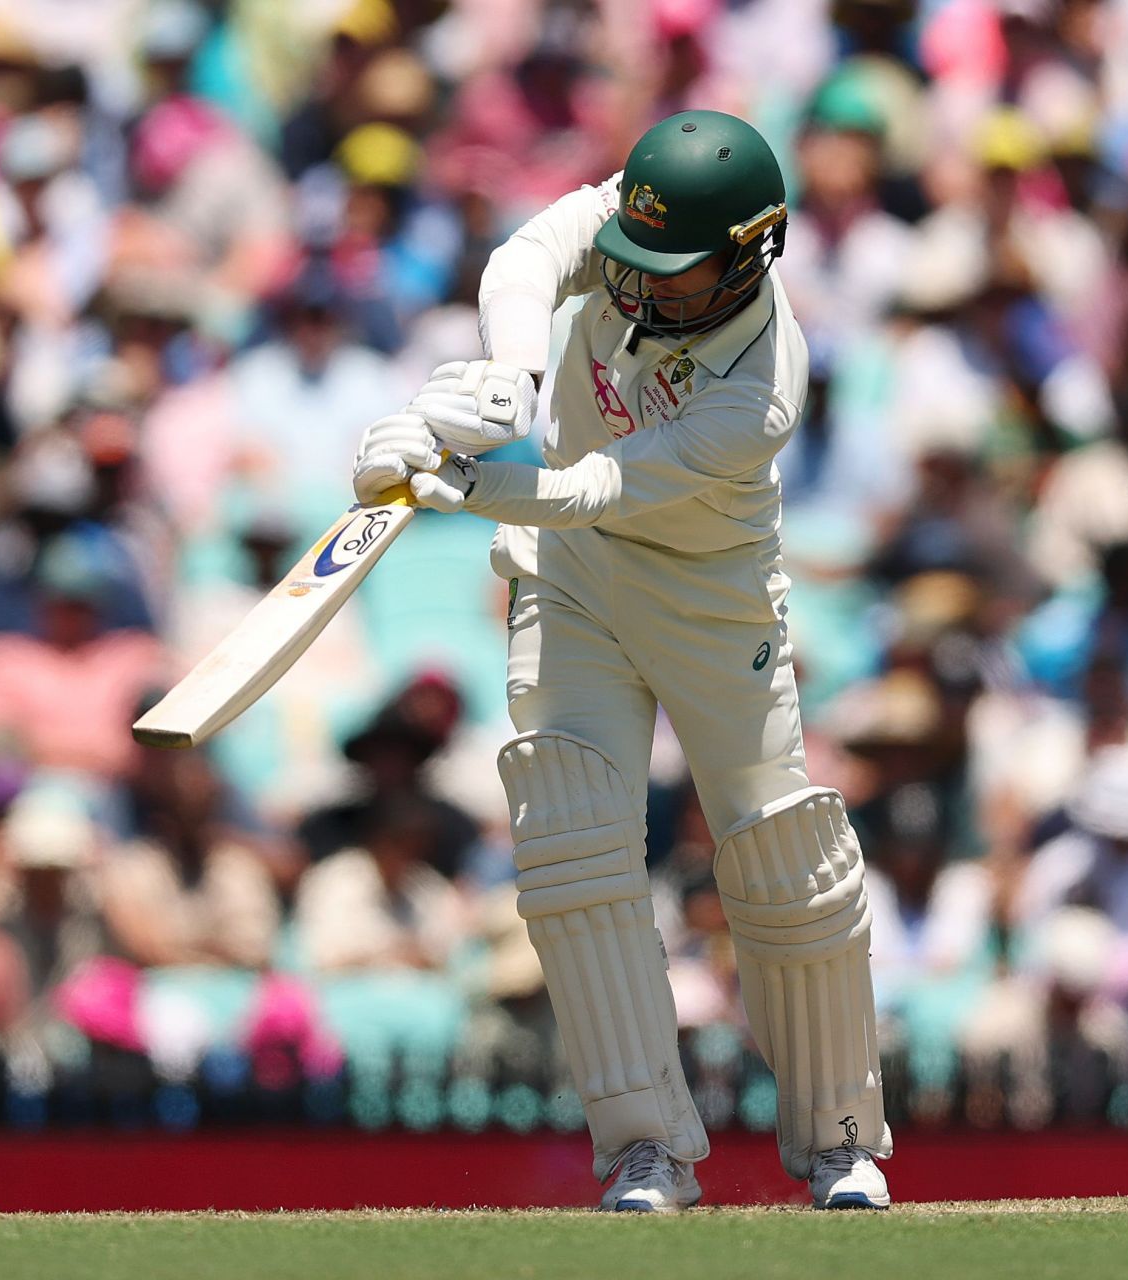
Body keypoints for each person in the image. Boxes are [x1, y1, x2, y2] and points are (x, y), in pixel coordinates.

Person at [350, 110, 889, 1211]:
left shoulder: (763, 383)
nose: (640, 292)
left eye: (673, 277)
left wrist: (455, 483)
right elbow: (522, 258)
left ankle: (841, 1138)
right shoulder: (635, 228)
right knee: (569, 838)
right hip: (572, 579)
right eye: (632, 265)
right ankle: (647, 1150)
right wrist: (506, 379)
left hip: (706, 591)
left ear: (753, 250)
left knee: (779, 848)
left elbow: (600, 485)